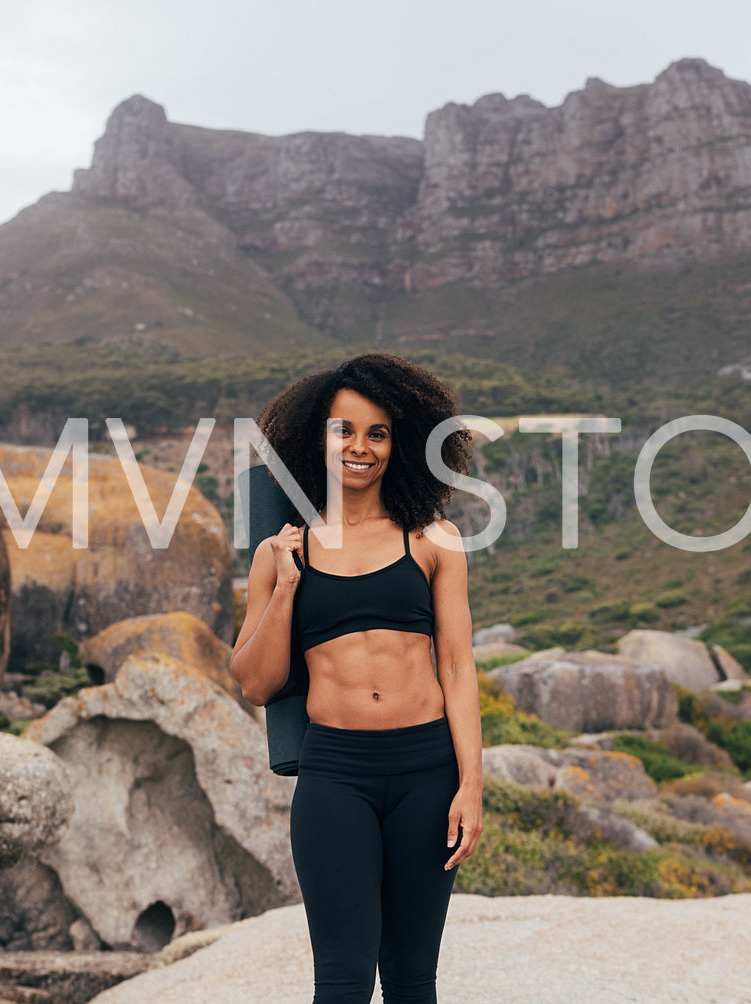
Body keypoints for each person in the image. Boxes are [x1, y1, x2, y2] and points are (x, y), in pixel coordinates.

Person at [230, 352, 484, 1004]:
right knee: (340, 982)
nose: (360, 447)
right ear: (318, 437)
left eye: (378, 432)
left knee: (409, 980)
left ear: (399, 443)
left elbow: (456, 666)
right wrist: (286, 588)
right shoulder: (280, 551)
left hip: (426, 771)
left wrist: (470, 785)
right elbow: (254, 683)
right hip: (335, 773)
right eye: (344, 430)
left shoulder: (433, 539)